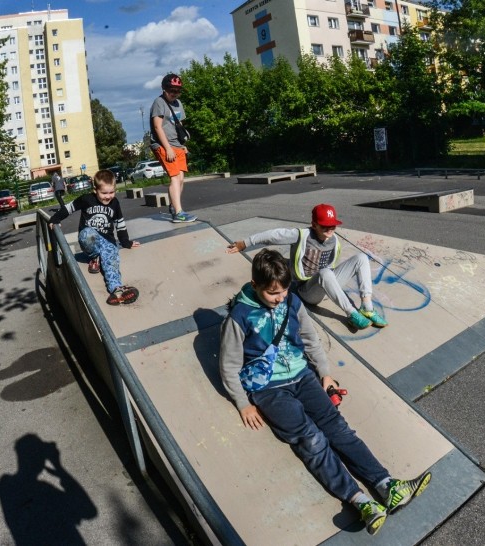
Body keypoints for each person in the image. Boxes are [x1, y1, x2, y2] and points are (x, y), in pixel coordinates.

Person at [219, 249, 430, 535]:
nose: (279, 297)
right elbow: (228, 364)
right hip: (268, 390)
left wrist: (324, 372)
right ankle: (361, 501)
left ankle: (387, 484)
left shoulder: (292, 300)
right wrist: (243, 403)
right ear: (255, 285)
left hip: (302, 376)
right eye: (272, 293)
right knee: (312, 440)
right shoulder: (240, 315)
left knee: (338, 429)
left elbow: (309, 337)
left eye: (283, 290)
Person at [226, 203, 388, 330]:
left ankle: (367, 308)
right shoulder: (302, 235)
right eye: (324, 225)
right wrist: (244, 243)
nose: (329, 229)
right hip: (308, 291)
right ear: (314, 224)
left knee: (361, 258)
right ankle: (351, 314)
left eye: (332, 225)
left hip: (329, 284)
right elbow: (273, 235)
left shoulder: (334, 240)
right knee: (325, 273)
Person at [48, 169, 141, 305]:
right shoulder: (86, 199)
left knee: (111, 259)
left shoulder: (115, 203)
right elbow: (68, 208)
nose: (108, 197)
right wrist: (54, 219)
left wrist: (126, 242)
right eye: (104, 193)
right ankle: (94, 257)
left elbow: (119, 223)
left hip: (108, 240)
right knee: (88, 234)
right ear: (95, 190)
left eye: (111, 192)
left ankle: (116, 289)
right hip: (89, 239)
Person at [150, 73, 196, 223]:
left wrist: (183, 145)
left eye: (178, 91)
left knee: (181, 178)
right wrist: (167, 148)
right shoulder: (159, 102)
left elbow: (179, 125)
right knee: (175, 177)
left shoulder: (179, 103)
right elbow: (157, 127)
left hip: (177, 144)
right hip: (163, 145)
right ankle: (179, 213)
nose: (175, 94)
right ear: (164, 89)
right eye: (172, 91)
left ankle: (173, 206)